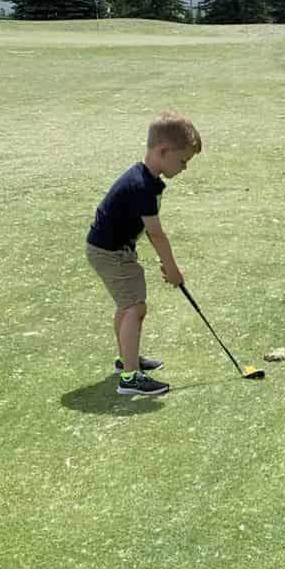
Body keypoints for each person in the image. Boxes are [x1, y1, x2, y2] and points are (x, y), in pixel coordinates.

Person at [86, 112, 202, 399]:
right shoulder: (141, 186)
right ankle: (130, 377)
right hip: (110, 252)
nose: (184, 168)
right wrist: (172, 269)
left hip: (111, 249)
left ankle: (128, 361)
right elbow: (156, 233)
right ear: (163, 152)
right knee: (135, 308)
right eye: (183, 160)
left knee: (127, 307)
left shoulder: (146, 179)